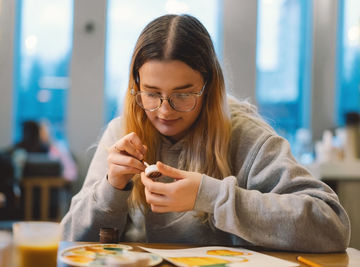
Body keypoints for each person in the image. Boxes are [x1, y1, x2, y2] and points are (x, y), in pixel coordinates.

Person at [61, 14, 350, 252]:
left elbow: (332, 226)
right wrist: (112, 188)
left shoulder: (246, 138)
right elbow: (68, 241)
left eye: (183, 95)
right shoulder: (122, 133)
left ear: (209, 88)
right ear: (135, 85)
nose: (164, 111)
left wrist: (210, 196)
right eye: (151, 93)